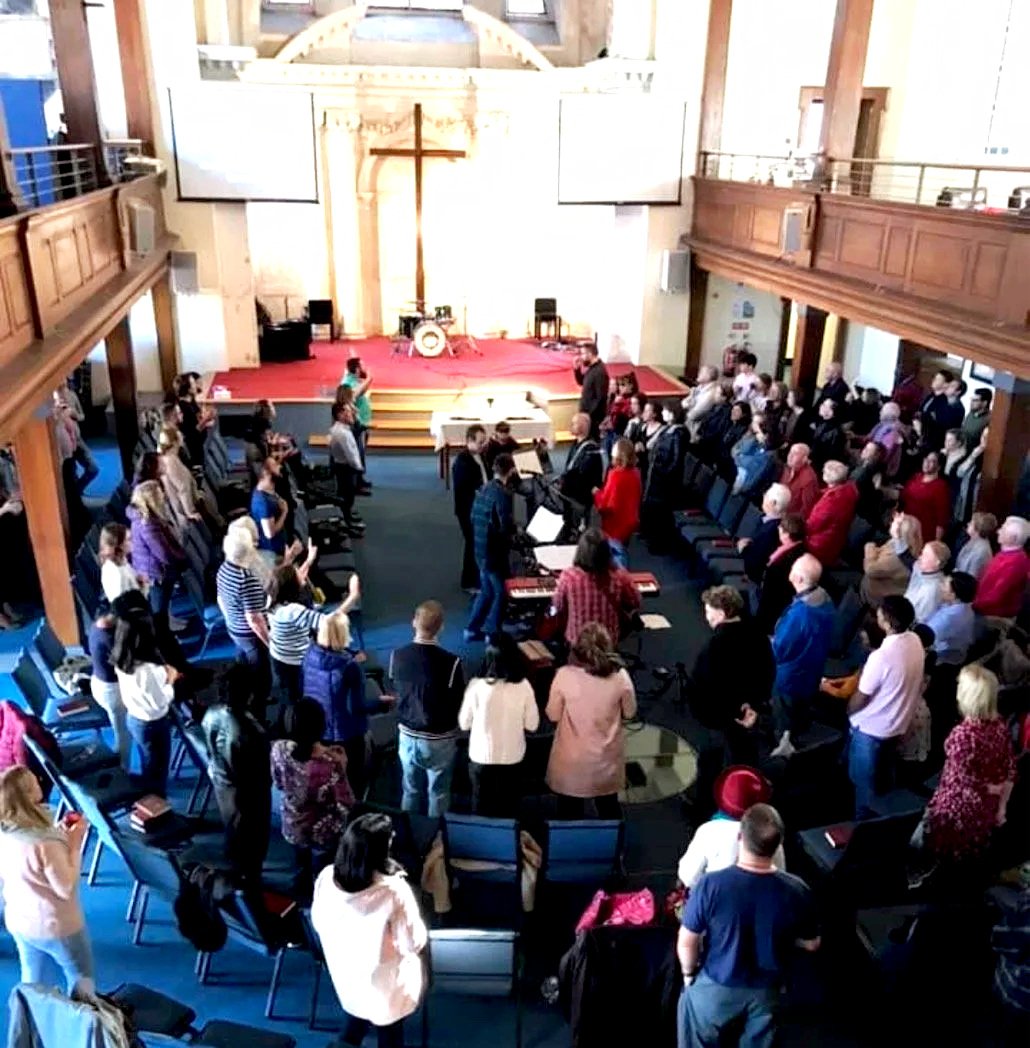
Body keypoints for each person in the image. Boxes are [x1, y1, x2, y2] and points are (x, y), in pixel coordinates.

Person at [677, 804, 819, 1048]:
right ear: (779, 843)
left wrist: (689, 975)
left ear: (741, 836)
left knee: (693, 1021)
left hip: (717, 985)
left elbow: (687, 940)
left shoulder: (712, 885)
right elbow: (812, 943)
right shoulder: (797, 889)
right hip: (768, 991)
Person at [311, 813, 427, 1048]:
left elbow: (318, 922)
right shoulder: (394, 891)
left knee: (354, 1023)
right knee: (390, 1035)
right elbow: (412, 943)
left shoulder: (326, 877)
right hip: (386, 980)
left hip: (346, 973)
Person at [0, 766, 94, 997]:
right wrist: (74, 843)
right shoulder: (45, 844)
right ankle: (85, 1025)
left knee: (33, 981)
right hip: (57, 925)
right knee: (82, 980)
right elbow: (65, 888)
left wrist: (59, 835)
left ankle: (31, 1025)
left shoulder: (6, 832)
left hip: (20, 919)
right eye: (35, 781)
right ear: (29, 794)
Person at [918, 665, 1015, 866]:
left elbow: (963, 784)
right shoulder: (1000, 726)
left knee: (941, 861)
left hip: (956, 813)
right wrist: (1001, 806)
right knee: (969, 862)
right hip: (987, 808)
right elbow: (1010, 771)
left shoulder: (962, 735)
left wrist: (988, 787)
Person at [689, 587, 774, 805]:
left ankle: (703, 804)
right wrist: (752, 707)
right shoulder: (758, 635)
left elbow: (705, 686)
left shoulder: (714, 646)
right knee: (745, 757)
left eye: (709, 611)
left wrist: (730, 712)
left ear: (722, 613)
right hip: (750, 714)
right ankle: (746, 798)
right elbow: (768, 673)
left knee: (711, 759)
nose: (706, 616)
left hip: (720, 717)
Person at [545, 623, 636, 819]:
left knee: (568, 813)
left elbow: (552, 715)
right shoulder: (621, 677)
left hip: (571, 761)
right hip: (606, 762)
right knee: (609, 809)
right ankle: (613, 848)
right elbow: (630, 713)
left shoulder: (564, 675)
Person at [846, 595, 924, 819]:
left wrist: (849, 710)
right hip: (897, 726)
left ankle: (860, 828)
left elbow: (861, 697)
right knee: (885, 779)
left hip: (870, 731)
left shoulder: (880, 657)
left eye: (880, 614)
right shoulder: (916, 642)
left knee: (863, 785)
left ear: (887, 622)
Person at [271, 699, 355, 890]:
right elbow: (346, 803)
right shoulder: (331, 764)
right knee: (324, 875)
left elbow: (277, 783)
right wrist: (343, 765)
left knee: (301, 861)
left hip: (292, 824)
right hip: (323, 832)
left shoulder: (278, 749)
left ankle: (301, 886)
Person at [391, 601, 465, 817]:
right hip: (439, 738)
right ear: (441, 627)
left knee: (410, 789)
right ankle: (435, 839)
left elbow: (397, 686)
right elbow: (458, 699)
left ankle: (408, 834)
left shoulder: (397, 656)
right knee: (439, 793)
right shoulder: (452, 663)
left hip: (407, 733)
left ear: (414, 622)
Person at [201, 665, 271, 886]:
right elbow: (261, 769)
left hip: (222, 783)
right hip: (250, 792)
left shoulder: (211, 713)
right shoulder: (250, 731)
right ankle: (251, 883)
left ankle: (238, 873)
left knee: (233, 830)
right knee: (254, 841)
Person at [458, 633, 540, 817]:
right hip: (513, 758)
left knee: (480, 805)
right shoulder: (524, 686)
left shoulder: (476, 686)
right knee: (510, 807)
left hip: (481, 758)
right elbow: (533, 725)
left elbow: (464, 724)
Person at [303, 610, 377, 801]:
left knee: (327, 780)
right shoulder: (350, 667)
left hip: (318, 730)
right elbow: (357, 707)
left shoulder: (308, 654)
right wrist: (382, 704)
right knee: (353, 781)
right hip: (347, 735)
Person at [111, 591, 177, 797]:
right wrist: (171, 680)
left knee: (148, 763)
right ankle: (158, 808)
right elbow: (160, 701)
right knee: (157, 772)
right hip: (153, 722)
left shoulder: (121, 657)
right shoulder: (148, 670)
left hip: (135, 717)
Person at [769, 555, 835, 758]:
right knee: (801, 707)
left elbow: (781, 649)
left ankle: (783, 748)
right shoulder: (825, 600)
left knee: (785, 712)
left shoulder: (801, 615)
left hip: (790, 676)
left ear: (798, 579)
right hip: (812, 669)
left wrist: (771, 641)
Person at [677, 767, 786, 889]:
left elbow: (688, 876)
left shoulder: (709, 832)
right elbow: (780, 877)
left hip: (715, 900)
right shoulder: (771, 836)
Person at [548, 527, 641, 648]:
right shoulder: (619, 575)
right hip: (608, 643)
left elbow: (558, 606)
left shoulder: (568, 576)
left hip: (577, 643)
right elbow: (635, 601)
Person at [465, 454, 517, 644]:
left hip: (480, 549)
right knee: (501, 592)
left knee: (487, 590)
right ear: (511, 470)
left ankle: (471, 629)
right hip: (494, 554)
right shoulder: (502, 495)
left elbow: (472, 517)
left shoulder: (483, 488)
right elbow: (504, 528)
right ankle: (492, 632)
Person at [268, 562, 336, 705]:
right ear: (292, 585)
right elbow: (327, 621)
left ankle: (287, 719)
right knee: (297, 697)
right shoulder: (292, 611)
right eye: (299, 576)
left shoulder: (274, 598)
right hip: (295, 662)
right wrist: (352, 598)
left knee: (288, 694)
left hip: (280, 656)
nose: (303, 577)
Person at [127, 480, 188, 635]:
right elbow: (163, 553)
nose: (164, 497)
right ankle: (164, 641)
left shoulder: (143, 517)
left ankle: (167, 627)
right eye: (160, 495)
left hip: (152, 570)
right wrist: (181, 558)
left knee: (162, 606)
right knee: (158, 613)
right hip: (156, 573)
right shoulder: (148, 524)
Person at [216, 526, 270, 690]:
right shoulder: (246, 579)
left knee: (243, 663)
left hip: (234, 627)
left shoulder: (223, 568)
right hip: (250, 633)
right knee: (260, 672)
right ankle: (258, 703)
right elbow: (254, 619)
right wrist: (270, 642)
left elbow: (221, 599)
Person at [88, 603, 130, 769]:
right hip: (112, 693)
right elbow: (127, 667)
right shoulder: (109, 639)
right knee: (124, 736)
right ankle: (122, 770)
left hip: (97, 684)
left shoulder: (95, 627)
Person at [643, 401, 689, 548]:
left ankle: (659, 542)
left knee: (661, 512)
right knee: (653, 509)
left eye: (665, 411)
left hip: (665, 480)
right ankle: (651, 536)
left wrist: (663, 471)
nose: (663, 413)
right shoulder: (668, 430)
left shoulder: (678, 433)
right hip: (657, 475)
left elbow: (675, 460)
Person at [593, 437, 641, 568]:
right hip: (630, 521)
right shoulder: (636, 473)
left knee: (617, 556)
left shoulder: (615, 475)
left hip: (615, 524)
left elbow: (606, 505)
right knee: (622, 549)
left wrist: (596, 493)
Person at [452, 424, 489, 592]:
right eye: (480, 442)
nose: (483, 445)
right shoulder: (462, 462)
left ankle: (478, 576)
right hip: (468, 510)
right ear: (469, 441)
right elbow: (465, 490)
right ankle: (469, 582)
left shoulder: (480, 456)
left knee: (478, 543)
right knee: (472, 543)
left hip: (480, 507)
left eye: (484, 442)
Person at [755, 514, 807, 633]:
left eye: (781, 528)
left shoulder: (784, 562)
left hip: (774, 605)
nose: (778, 529)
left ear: (787, 535)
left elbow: (771, 590)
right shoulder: (798, 548)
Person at [973, 515, 1030, 620]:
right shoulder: (1007, 552)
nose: (998, 531)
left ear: (1013, 538)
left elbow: (995, 596)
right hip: (982, 607)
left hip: (992, 616)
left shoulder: (1015, 564)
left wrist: (971, 604)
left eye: (1002, 530)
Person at [804, 460, 859, 566]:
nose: (822, 471)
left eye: (825, 471)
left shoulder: (832, 501)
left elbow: (811, 526)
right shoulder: (847, 490)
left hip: (819, 546)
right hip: (835, 540)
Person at [861, 513, 923, 604]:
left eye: (895, 523)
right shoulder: (905, 544)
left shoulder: (897, 559)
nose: (891, 522)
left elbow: (870, 569)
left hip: (874, 593)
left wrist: (869, 547)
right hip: (881, 580)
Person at [738, 483, 791, 583]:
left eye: (766, 496)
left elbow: (757, 562)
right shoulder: (767, 521)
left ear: (774, 503)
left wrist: (743, 549)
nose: (763, 497)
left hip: (753, 578)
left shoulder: (772, 531)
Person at [328, 401, 366, 537]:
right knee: (347, 497)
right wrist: (358, 467)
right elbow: (350, 453)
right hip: (346, 468)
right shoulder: (342, 433)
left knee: (347, 497)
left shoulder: (341, 429)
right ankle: (347, 524)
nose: (351, 414)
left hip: (344, 467)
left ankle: (348, 518)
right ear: (340, 414)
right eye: (348, 411)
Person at [559, 412, 604, 527]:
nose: (571, 425)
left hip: (581, 495)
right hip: (571, 490)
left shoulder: (591, 449)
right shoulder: (575, 444)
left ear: (583, 426)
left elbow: (581, 475)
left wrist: (565, 481)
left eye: (574, 423)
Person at [925, 571, 977, 666]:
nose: (941, 586)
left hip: (944, 656)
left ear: (953, 595)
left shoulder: (949, 618)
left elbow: (925, 638)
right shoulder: (964, 606)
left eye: (944, 585)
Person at [342, 356, 373, 478]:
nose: (364, 367)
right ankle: (357, 480)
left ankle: (360, 477)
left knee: (361, 450)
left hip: (361, 422)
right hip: (355, 423)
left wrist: (367, 380)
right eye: (362, 365)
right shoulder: (348, 382)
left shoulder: (354, 379)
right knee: (357, 451)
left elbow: (362, 390)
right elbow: (355, 394)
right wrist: (369, 379)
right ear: (357, 369)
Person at [904, 540, 950, 623]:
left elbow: (921, 620)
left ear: (937, 562)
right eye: (922, 553)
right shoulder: (920, 568)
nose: (920, 557)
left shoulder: (932, 591)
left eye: (926, 555)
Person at [730, 416, 776, 499]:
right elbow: (739, 453)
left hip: (747, 492)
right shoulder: (756, 443)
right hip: (738, 481)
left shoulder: (769, 456)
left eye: (760, 433)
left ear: (766, 436)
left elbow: (749, 465)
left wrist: (740, 458)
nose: (757, 435)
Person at [250, 465, 289, 558]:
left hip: (278, 545)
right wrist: (285, 512)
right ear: (266, 476)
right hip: (273, 551)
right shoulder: (263, 503)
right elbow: (269, 534)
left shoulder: (263, 490)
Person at [98, 522, 141, 603]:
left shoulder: (122, 560)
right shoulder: (116, 573)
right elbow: (125, 604)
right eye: (129, 539)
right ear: (119, 545)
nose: (133, 541)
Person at [573, 341, 609, 438]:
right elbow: (582, 382)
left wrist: (588, 415)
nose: (581, 357)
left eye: (583, 354)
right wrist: (577, 370)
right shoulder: (592, 368)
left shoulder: (600, 372)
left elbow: (600, 397)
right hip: (587, 416)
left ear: (590, 354)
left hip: (592, 419)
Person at [920, 369, 961, 449]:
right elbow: (921, 410)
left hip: (932, 442)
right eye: (935, 377)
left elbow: (939, 424)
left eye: (938, 379)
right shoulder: (931, 395)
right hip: (920, 436)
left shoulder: (944, 402)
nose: (934, 380)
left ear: (945, 385)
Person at [865, 400, 907, 478]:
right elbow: (868, 438)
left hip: (880, 466)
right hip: (872, 456)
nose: (880, 412)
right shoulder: (882, 424)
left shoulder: (893, 432)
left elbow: (884, 457)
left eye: (882, 411)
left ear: (889, 414)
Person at [778, 443, 820, 519]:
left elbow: (807, 509)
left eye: (795, 454)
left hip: (787, 519)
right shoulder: (787, 468)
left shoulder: (809, 479)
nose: (790, 456)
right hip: (775, 510)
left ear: (804, 459)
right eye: (790, 452)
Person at [955, 511, 997, 580]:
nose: (968, 524)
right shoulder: (973, 540)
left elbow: (971, 578)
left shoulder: (981, 552)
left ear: (978, 529)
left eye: (971, 523)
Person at [808, 397, 847, 469]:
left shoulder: (837, 433)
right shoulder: (822, 422)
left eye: (824, 405)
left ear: (832, 411)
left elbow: (830, 457)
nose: (820, 406)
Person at [684, 365, 721, 440]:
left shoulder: (711, 394)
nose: (698, 374)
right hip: (688, 427)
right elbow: (683, 403)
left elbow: (693, 415)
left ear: (708, 376)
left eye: (701, 372)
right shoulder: (699, 387)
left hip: (696, 433)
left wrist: (689, 403)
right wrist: (691, 399)